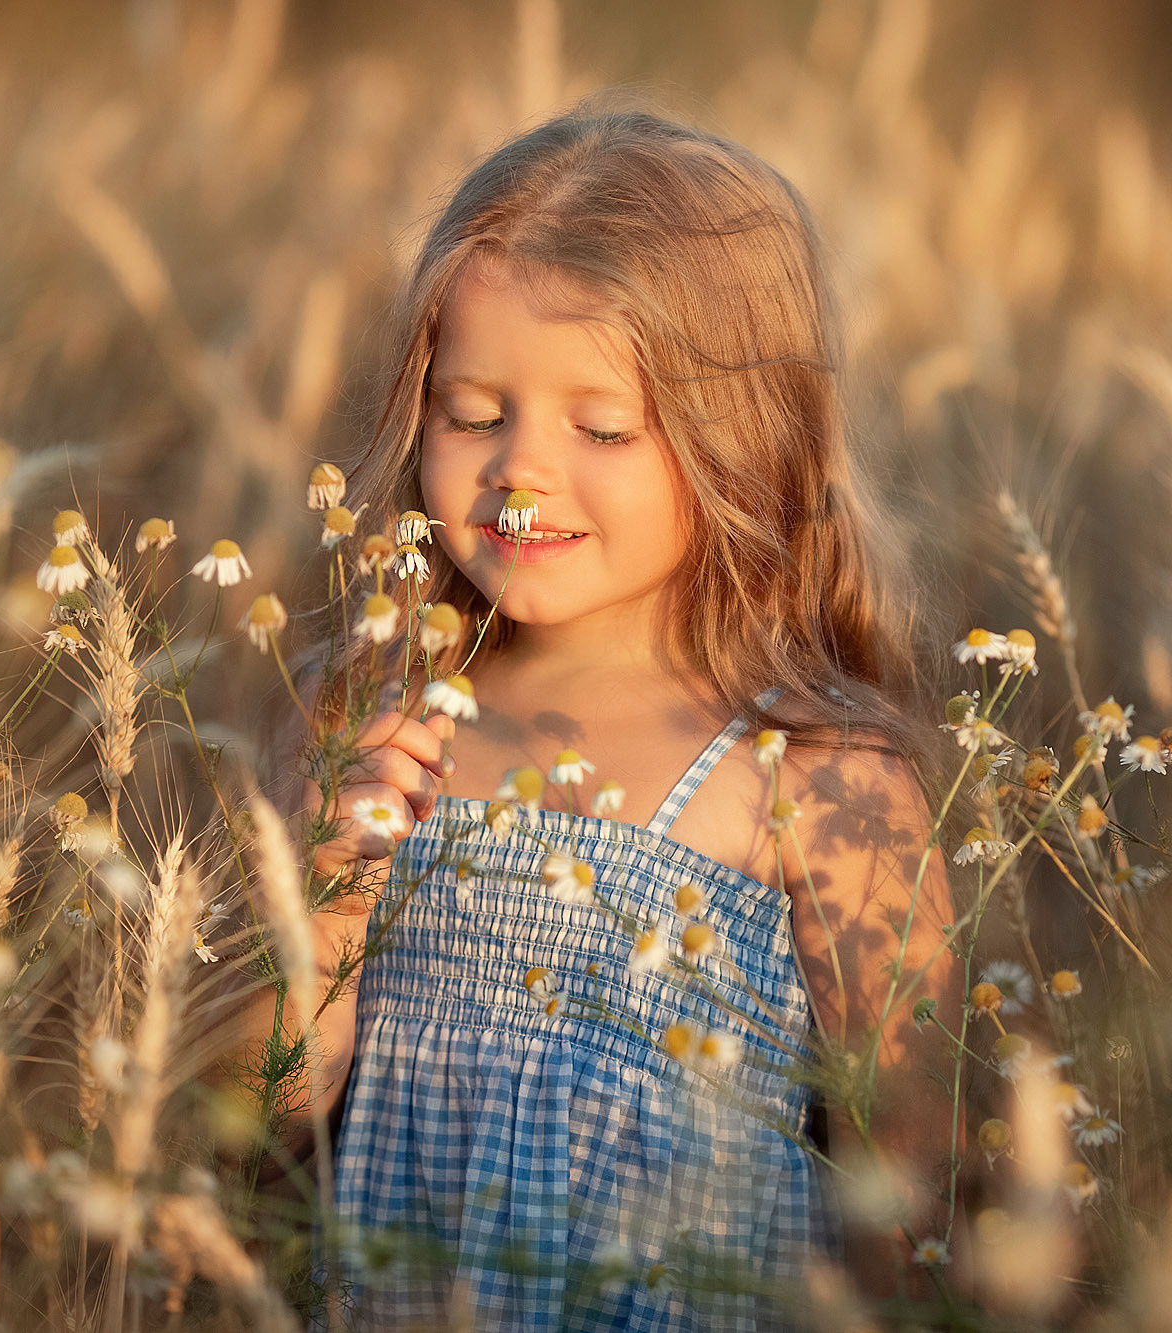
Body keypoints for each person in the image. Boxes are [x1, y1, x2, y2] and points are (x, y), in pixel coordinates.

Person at [260, 102, 963, 1328]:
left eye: (600, 427)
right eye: (472, 414)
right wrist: (324, 895)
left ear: (740, 442)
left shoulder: (817, 774)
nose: (520, 471)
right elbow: (261, 1132)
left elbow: (907, 1200)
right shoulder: (360, 718)